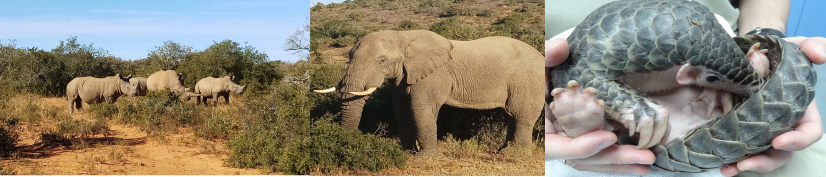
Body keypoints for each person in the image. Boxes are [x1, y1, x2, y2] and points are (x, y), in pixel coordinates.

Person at [545, 0, 826, 176]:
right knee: (640, 125)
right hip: (553, 75)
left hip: (715, 43)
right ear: (687, 74)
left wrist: (770, 39)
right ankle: (586, 121)